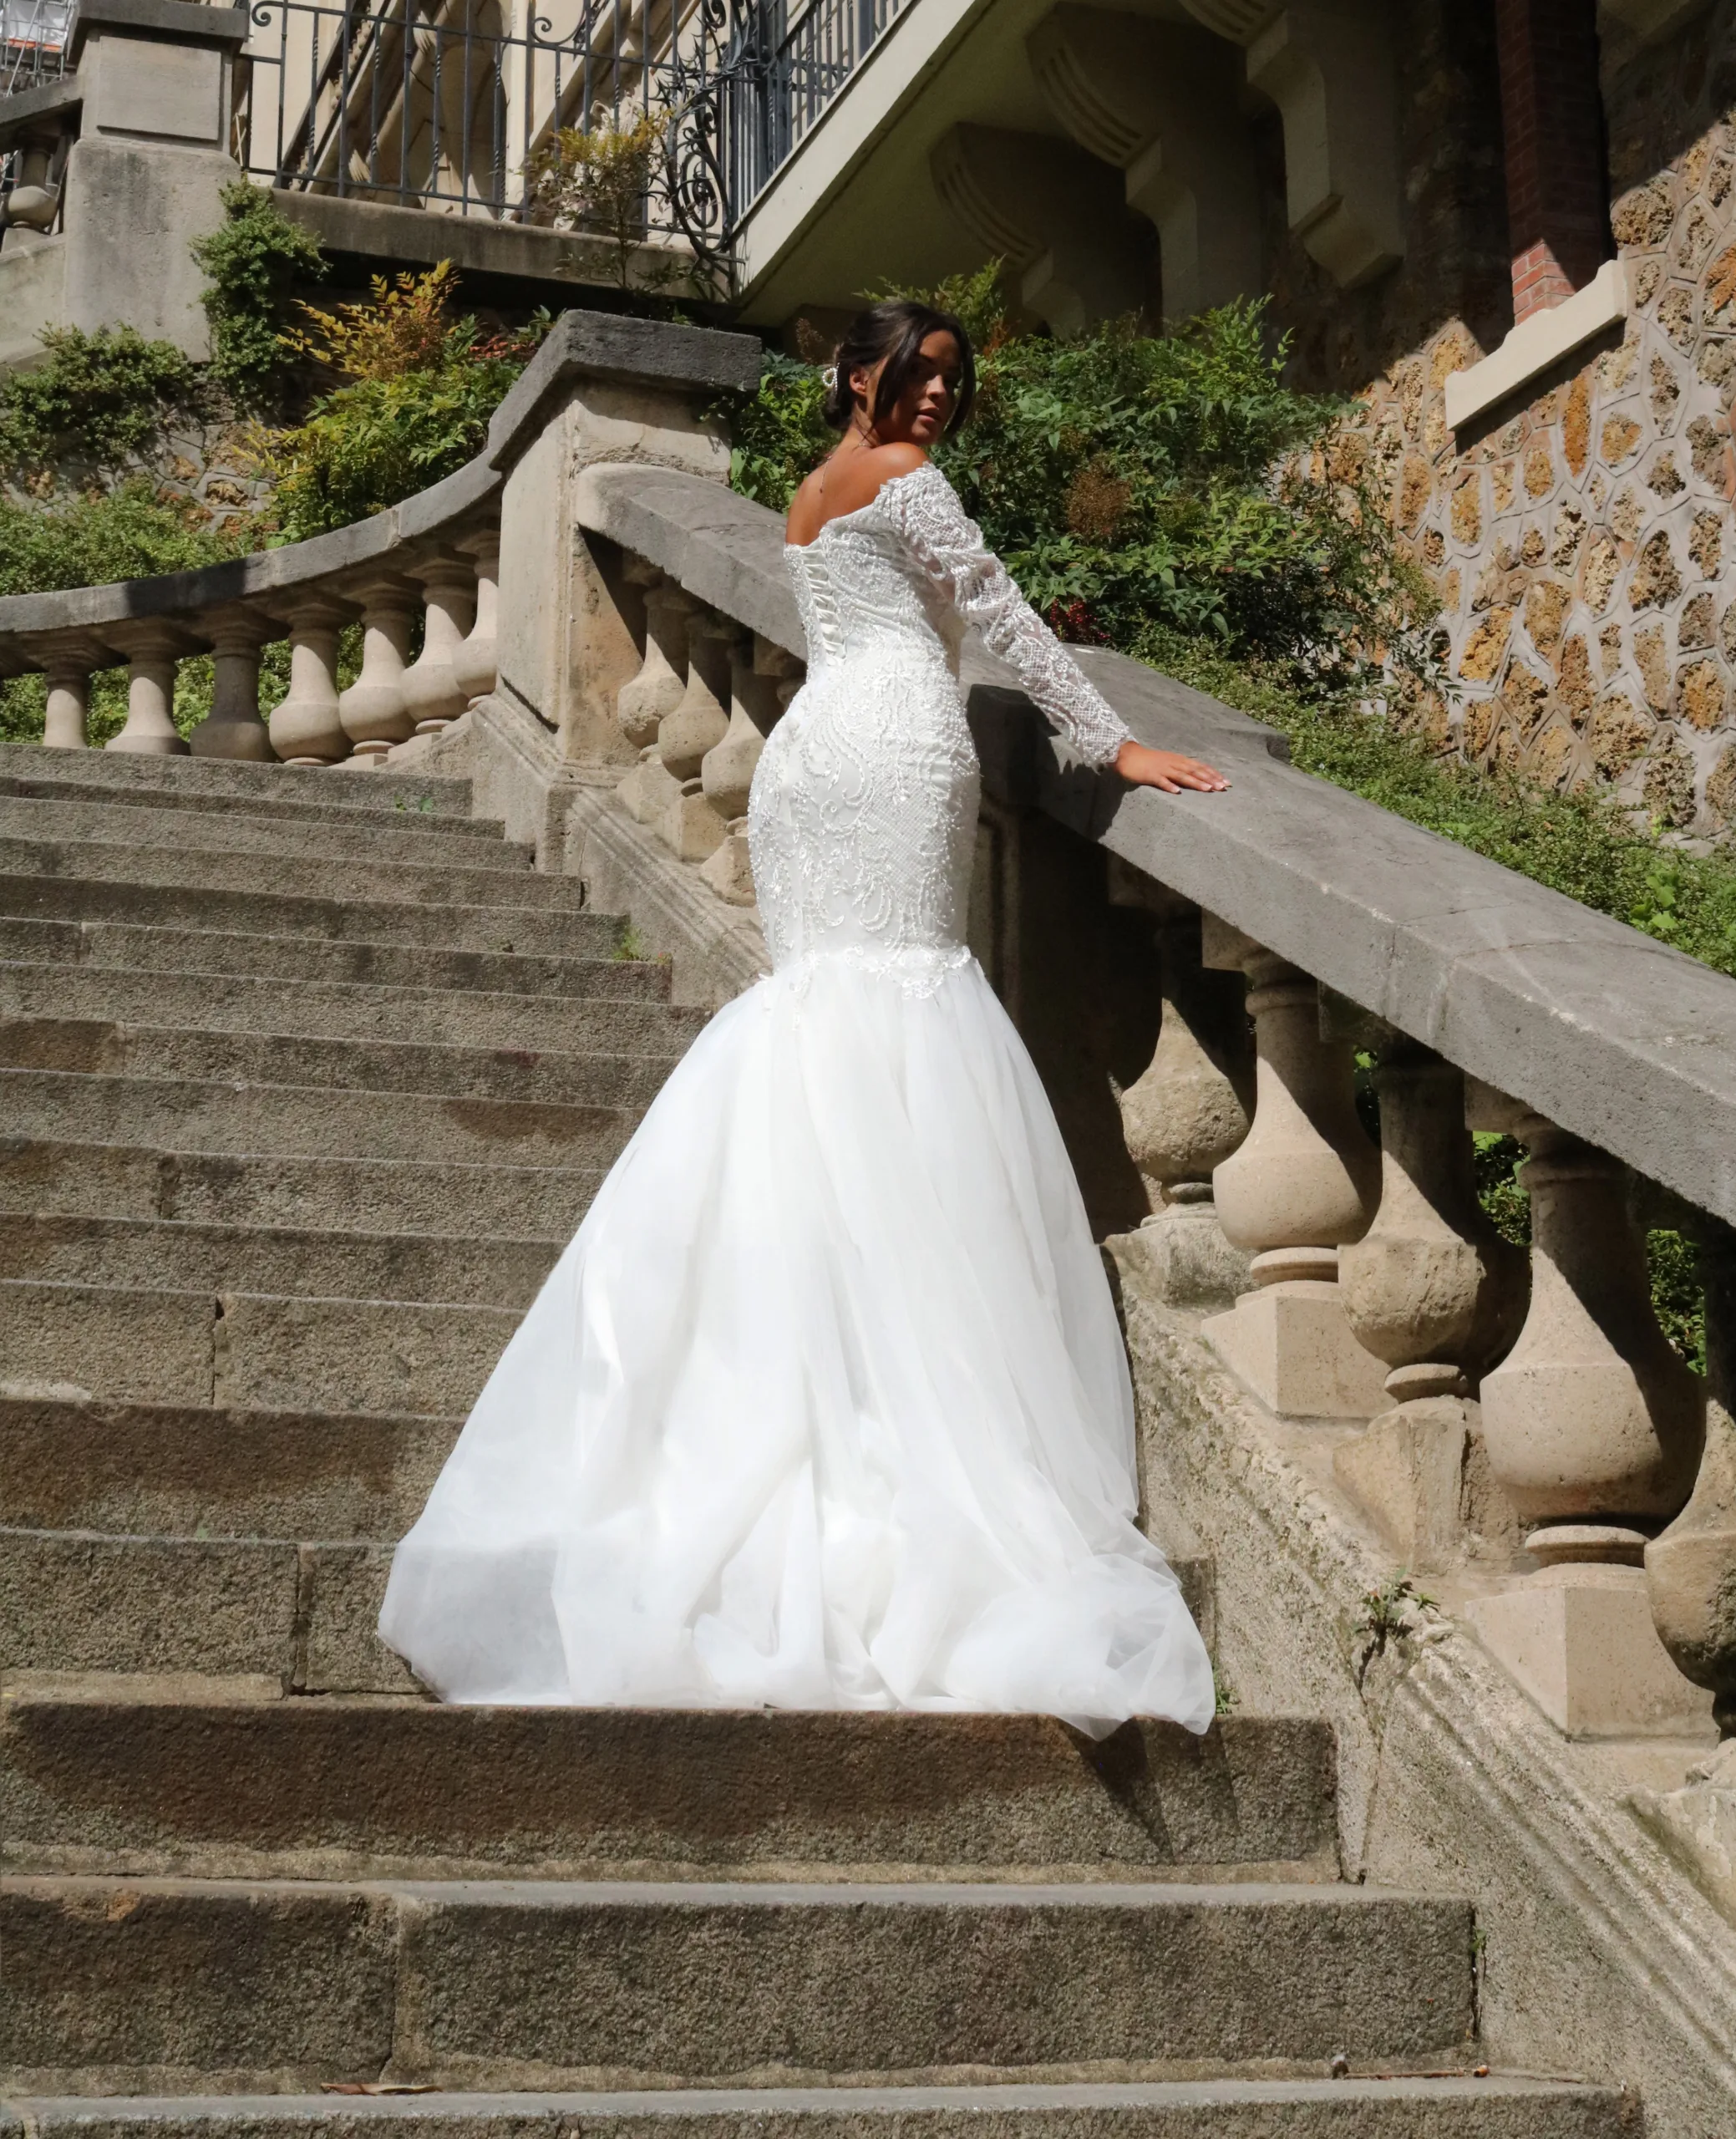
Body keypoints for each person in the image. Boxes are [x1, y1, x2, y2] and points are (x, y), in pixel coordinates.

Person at [379, 300, 1230, 1736]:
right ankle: (903, 1409)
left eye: (954, 377)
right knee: (900, 1015)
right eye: (917, 373)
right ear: (855, 377)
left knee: (829, 1023)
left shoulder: (811, 491)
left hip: (814, 759)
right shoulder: (903, 482)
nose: (938, 396)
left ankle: (815, 1378)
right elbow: (1005, 621)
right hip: (890, 752)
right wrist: (1110, 741)